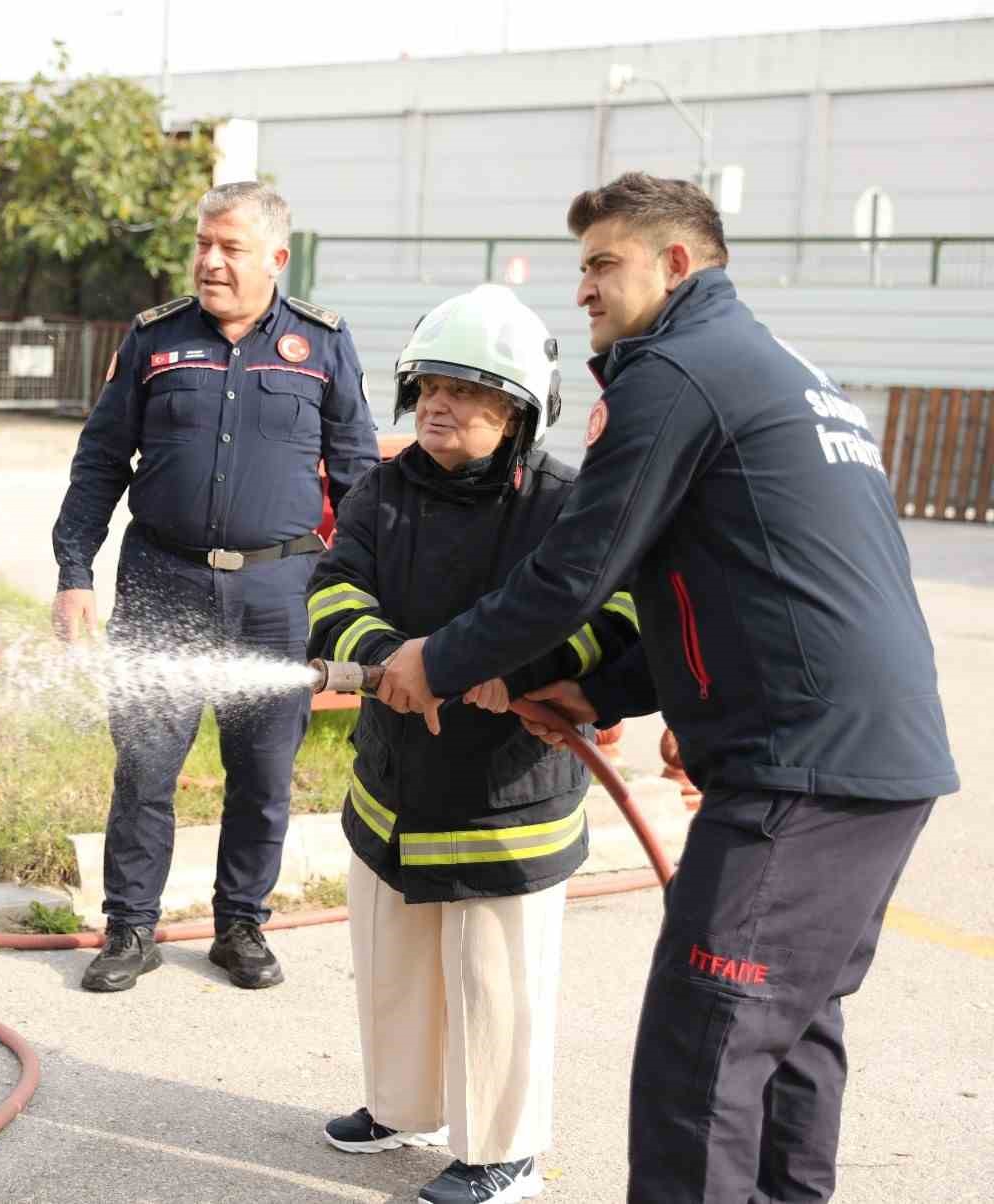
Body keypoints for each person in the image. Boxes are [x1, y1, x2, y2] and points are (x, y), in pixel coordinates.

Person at [374, 172, 959, 1203]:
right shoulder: (772, 365)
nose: (585, 289)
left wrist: (438, 660)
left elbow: (573, 572)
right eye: (583, 266)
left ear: (674, 262)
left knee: (705, 1043)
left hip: (802, 771)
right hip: (869, 758)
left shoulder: (674, 372)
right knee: (789, 1029)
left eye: (603, 263)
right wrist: (595, 692)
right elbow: (737, 584)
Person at [306, 284, 641, 1204]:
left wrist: (528, 670)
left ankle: (505, 1150)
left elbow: (610, 614)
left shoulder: (567, 503)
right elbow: (335, 588)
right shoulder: (386, 488)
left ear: (520, 410)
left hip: (507, 796)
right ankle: (398, 1106)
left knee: (499, 983)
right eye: (431, 387)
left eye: (470, 390)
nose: (441, 405)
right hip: (393, 782)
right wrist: (381, 659)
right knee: (393, 960)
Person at [51, 181, 380, 993]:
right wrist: (73, 573)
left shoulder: (323, 345)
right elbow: (100, 461)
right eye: (203, 243)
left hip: (279, 593)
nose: (209, 261)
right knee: (146, 765)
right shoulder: (155, 340)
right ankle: (130, 927)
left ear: (276, 256)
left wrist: (362, 595)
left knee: (264, 772)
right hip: (162, 581)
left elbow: (361, 476)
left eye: (229, 247)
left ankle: (242, 925)